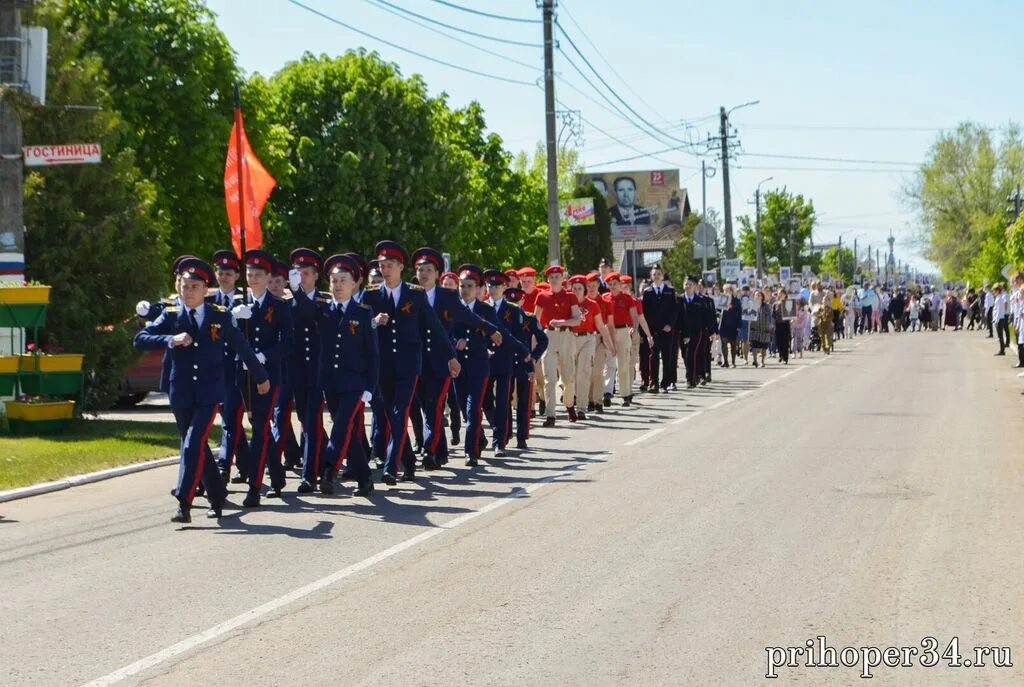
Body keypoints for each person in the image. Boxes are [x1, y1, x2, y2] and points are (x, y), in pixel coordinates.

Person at [134, 257, 270, 523]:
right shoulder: (172, 315)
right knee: (196, 446)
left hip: (210, 392)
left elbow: (242, 347)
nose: (188, 292)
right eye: (184, 286)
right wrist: (169, 340)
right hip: (180, 391)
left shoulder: (219, 315)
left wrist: (260, 376)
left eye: (194, 287)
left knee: (193, 442)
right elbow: (140, 339)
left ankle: (183, 502)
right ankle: (217, 495)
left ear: (205, 289)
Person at [363, 240, 460, 485]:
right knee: (390, 413)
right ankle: (408, 462)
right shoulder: (372, 295)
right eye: (382, 265)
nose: (385, 270)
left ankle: (391, 467)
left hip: (408, 363)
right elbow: (358, 327)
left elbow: (435, 327)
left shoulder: (414, 295)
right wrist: (374, 321)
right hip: (383, 365)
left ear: (400, 267)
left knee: (399, 412)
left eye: (390, 265)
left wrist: (451, 356)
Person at [411, 248, 500, 470]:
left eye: (428, 270)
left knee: (435, 406)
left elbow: (467, 316)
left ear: (437, 274)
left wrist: (490, 330)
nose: (423, 274)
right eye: (420, 270)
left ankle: (429, 450)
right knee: (428, 408)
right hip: (416, 361)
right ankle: (440, 451)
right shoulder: (409, 294)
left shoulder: (447, 297)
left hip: (443, 360)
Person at [227, 249, 293, 507]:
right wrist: (232, 319)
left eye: (258, 274)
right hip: (240, 375)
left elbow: (288, 344)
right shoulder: (236, 306)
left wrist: (263, 357)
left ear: (268, 278)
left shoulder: (279, 307)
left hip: (266, 375)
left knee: (261, 428)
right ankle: (276, 476)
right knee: (255, 426)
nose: (252, 278)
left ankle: (254, 487)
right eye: (249, 274)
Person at [316, 254, 378, 497]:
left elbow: (372, 354)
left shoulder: (364, 312)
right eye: (333, 281)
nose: (338, 285)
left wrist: (370, 387)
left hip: (355, 383)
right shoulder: (323, 309)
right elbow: (302, 307)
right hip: (331, 381)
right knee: (348, 432)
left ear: (355, 284)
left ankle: (329, 469)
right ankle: (365, 478)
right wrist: (297, 287)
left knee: (341, 424)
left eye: (343, 280)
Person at [283, 248, 329, 492]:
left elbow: (314, 315)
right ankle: (325, 457)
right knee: (303, 418)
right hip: (296, 369)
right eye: (298, 273)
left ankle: (309, 474)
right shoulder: (287, 302)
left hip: (319, 369)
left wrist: (297, 294)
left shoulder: (325, 300)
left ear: (315, 276)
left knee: (312, 421)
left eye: (306, 273)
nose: (301, 278)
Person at [451, 264, 500, 466]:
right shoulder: (452, 308)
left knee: (473, 409)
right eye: (462, 286)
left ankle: (470, 452)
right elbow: (444, 332)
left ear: (479, 288)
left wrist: (489, 347)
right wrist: (455, 342)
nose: (465, 290)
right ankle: (479, 438)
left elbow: (495, 333)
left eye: (470, 286)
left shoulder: (485, 310)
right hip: (459, 366)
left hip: (479, 366)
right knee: (464, 408)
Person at [480, 268, 528, 455]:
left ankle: (499, 441)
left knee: (503, 400)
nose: (493, 289)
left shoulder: (513, 310)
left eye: (497, 286)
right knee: (484, 399)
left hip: (505, 360)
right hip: (484, 359)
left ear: (504, 287)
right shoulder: (481, 307)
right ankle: (496, 427)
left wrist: (523, 357)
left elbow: (519, 335)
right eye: (490, 285)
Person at [534, 265, 582, 424]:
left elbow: (577, 319)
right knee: (550, 378)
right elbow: (535, 321)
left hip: (566, 335)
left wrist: (562, 321)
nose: (554, 280)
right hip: (549, 336)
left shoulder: (570, 296)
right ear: (548, 280)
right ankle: (550, 415)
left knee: (568, 376)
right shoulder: (541, 296)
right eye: (551, 277)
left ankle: (569, 405)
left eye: (557, 277)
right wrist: (535, 344)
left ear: (563, 279)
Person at [503, 287, 547, 450]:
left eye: (517, 301)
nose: (514, 305)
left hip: (524, 363)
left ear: (522, 301)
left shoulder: (529, 318)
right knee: (505, 400)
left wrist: (534, 357)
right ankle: (505, 433)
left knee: (524, 401)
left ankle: (522, 437)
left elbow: (543, 339)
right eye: (510, 301)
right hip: (506, 362)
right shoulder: (502, 317)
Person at [568, 274, 613, 419]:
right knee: (570, 374)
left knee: (584, 372)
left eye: (579, 288)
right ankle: (570, 402)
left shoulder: (592, 304)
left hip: (588, 339)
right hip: (570, 340)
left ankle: (581, 407)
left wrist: (610, 344)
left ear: (584, 289)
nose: (576, 291)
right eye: (574, 289)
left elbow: (601, 326)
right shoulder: (567, 304)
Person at [602, 272, 643, 404]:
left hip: (623, 331)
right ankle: (607, 392)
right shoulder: (604, 298)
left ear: (620, 285)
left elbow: (635, 316)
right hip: (609, 331)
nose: (613, 286)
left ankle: (626, 393)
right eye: (610, 284)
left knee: (623, 364)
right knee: (609, 363)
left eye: (615, 284)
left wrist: (634, 328)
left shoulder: (626, 298)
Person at [641, 263, 677, 391]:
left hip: (666, 330)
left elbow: (674, 311)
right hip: (653, 330)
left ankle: (665, 383)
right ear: (651, 276)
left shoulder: (670, 291)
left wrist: (670, 324)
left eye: (658, 274)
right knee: (654, 355)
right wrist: (645, 331)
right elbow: (643, 313)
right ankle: (654, 382)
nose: (656, 276)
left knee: (667, 356)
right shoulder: (647, 292)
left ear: (662, 276)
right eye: (654, 274)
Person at [717, 284, 741, 368]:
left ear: (732, 291)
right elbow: (718, 311)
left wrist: (739, 325)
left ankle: (733, 362)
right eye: (725, 290)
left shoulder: (736, 301)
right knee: (723, 343)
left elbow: (739, 314)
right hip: (723, 325)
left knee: (733, 344)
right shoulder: (722, 300)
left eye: (729, 290)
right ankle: (725, 361)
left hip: (733, 325)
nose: (727, 292)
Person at [748, 289, 773, 367]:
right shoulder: (750, 305)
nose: (757, 296)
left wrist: (770, 323)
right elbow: (747, 315)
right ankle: (755, 360)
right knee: (754, 344)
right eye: (756, 295)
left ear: (762, 297)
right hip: (754, 327)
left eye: (759, 295)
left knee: (763, 346)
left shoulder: (766, 306)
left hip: (764, 328)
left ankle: (762, 361)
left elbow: (769, 316)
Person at [772, 290, 792, 365]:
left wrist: (792, 320)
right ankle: (781, 355)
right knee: (778, 341)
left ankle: (785, 358)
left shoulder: (788, 303)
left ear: (785, 294)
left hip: (785, 324)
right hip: (778, 324)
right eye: (780, 293)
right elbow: (773, 315)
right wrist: (773, 324)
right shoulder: (775, 304)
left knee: (785, 341)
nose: (781, 295)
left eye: (782, 293)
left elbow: (792, 312)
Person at [992, 283, 1009, 355]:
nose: (994, 292)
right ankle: (1002, 349)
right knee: (1000, 335)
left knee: (1000, 335)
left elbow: (998, 311)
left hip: (999, 319)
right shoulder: (998, 298)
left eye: (995, 291)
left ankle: (1002, 350)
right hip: (999, 319)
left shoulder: (999, 299)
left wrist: (996, 321)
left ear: (998, 291)